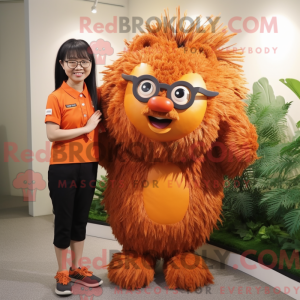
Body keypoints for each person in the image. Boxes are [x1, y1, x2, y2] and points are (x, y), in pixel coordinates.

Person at [45, 39, 104, 296]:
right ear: (62, 64)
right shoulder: (56, 96)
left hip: (88, 166)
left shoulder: (96, 95)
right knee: (64, 221)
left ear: (91, 64)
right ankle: (61, 272)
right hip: (63, 168)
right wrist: (87, 128)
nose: (78, 66)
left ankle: (77, 268)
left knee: (81, 220)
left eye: (84, 60)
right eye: (72, 61)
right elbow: (52, 134)